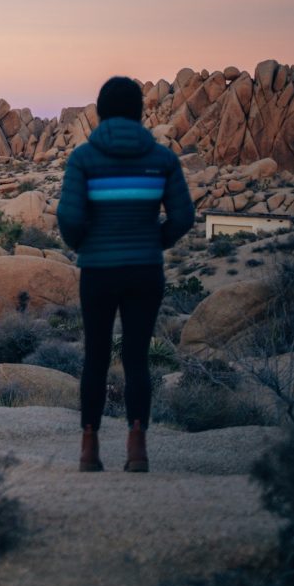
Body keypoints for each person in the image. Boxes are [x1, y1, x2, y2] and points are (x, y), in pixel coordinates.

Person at [57, 76, 194, 472]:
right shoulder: (162, 159)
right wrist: (156, 242)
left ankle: (89, 447)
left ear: (100, 112)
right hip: (144, 271)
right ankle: (137, 447)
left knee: (95, 357)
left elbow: (68, 217)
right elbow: (184, 216)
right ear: (140, 111)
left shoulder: (83, 158)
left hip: (98, 271)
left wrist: (84, 243)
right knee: (136, 358)